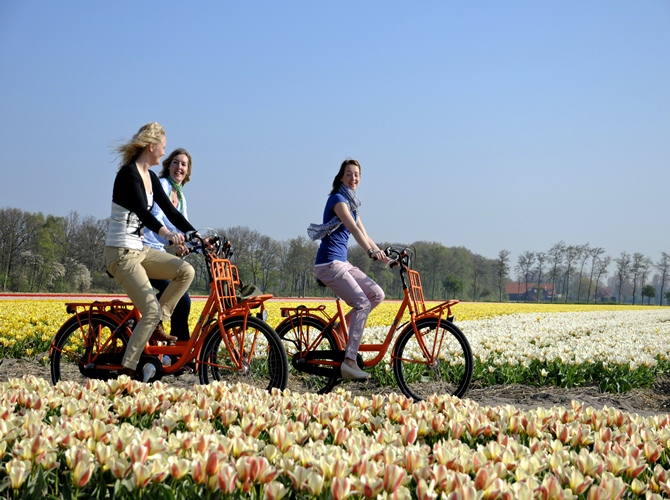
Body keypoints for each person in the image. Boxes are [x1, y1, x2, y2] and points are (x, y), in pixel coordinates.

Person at [103, 122, 196, 375]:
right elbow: (143, 213)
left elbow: (171, 212)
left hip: (140, 252)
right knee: (150, 309)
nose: (164, 154)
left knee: (186, 271)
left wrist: (196, 235)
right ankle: (127, 371)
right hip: (121, 253)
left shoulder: (151, 177)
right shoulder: (128, 174)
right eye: (163, 148)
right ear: (151, 146)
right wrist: (167, 235)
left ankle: (157, 323)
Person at [307, 158, 390, 380]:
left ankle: (338, 331)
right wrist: (369, 253)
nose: (353, 178)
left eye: (357, 175)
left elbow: (365, 233)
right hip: (328, 264)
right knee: (362, 302)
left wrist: (385, 257)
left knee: (376, 294)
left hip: (342, 263)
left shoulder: (352, 205)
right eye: (349, 174)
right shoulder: (338, 200)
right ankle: (349, 361)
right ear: (341, 177)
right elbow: (353, 230)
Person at [142, 148, 193, 342]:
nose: (179, 168)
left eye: (183, 164)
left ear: (188, 171)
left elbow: (181, 224)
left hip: (159, 252)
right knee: (182, 298)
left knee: (182, 299)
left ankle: (176, 352)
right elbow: (156, 219)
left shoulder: (180, 197)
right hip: (146, 249)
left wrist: (195, 243)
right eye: (175, 163)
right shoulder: (162, 185)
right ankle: (175, 348)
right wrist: (171, 240)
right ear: (168, 165)